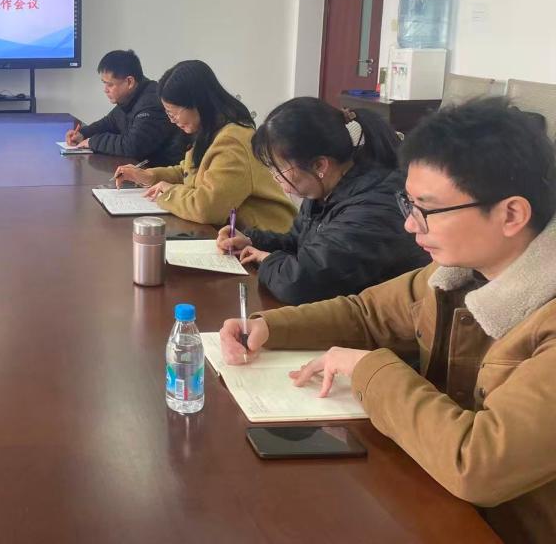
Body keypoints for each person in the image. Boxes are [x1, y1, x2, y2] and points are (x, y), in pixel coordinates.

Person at [219, 97, 556, 544]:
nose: (411, 227)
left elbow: (479, 463)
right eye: (408, 205)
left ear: (511, 214)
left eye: (427, 210)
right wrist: (271, 327)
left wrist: (369, 369)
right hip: (433, 498)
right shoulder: (453, 273)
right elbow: (367, 312)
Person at [215, 97, 430, 304]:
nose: (275, 178)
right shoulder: (324, 188)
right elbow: (299, 242)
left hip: (380, 322)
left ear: (319, 165)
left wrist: (265, 259)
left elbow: (301, 284)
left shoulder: (374, 206)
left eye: (279, 169)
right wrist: (252, 241)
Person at [114, 60, 294, 230]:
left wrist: (168, 192)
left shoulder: (233, 141)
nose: (172, 120)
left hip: (268, 241)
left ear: (197, 104)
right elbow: (188, 172)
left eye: (173, 113)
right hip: (235, 235)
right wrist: (148, 176)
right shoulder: (208, 131)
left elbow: (208, 209)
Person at [64, 49, 185, 166]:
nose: (105, 90)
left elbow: (133, 146)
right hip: (140, 169)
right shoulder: (131, 97)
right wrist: (83, 133)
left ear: (129, 82)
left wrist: (92, 142)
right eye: (104, 83)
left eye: (110, 84)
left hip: (162, 173)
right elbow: (110, 122)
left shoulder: (151, 103)